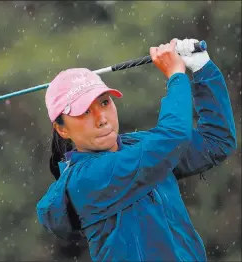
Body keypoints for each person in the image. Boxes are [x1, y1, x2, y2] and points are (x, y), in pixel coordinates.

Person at [36, 38, 237, 261]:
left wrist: (202, 69)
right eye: (84, 112)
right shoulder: (86, 179)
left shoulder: (138, 146)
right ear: (62, 130)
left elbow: (217, 141)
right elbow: (173, 137)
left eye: (104, 103)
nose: (102, 119)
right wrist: (176, 77)